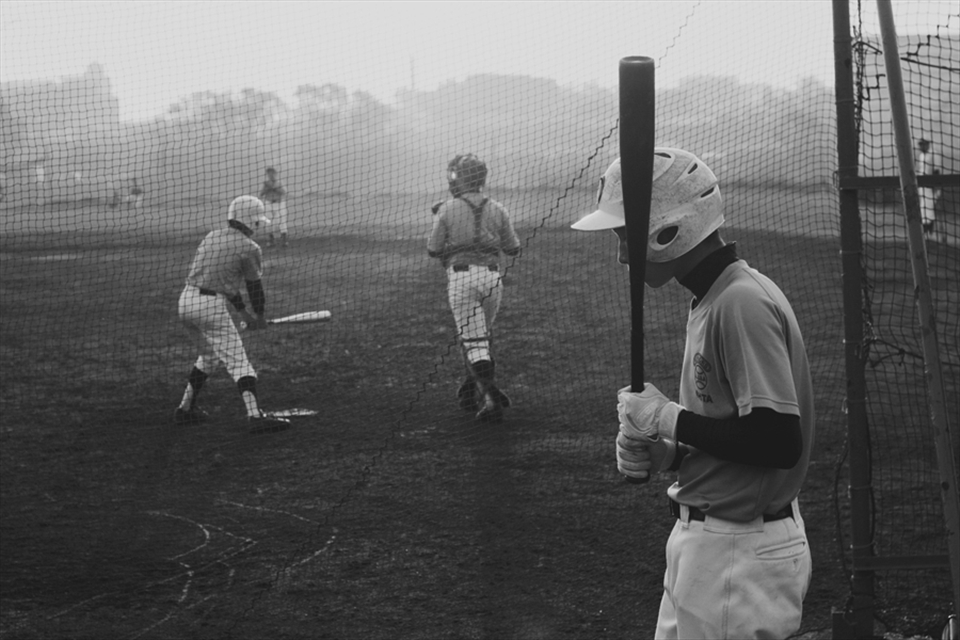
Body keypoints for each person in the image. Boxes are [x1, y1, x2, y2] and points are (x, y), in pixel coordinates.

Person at [572, 149, 814, 639]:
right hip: (712, 545)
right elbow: (732, 433)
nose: (621, 254)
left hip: (740, 552)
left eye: (625, 235)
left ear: (670, 228)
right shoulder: (714, 296)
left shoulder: (741, 301)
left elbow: (777, 441)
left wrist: (666, 417)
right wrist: (667, 453)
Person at [175, 195, 291, 434]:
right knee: (239, 363)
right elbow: (254, 287)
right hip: (210, 307)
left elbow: (224, 283)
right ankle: (255, 415)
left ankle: (185, 409)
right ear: (250, 221)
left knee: (208, 357)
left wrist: (244, 314)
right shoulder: (250, 248)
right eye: (258, 222)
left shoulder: (212, 236)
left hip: (185, 301)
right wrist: (258, 317)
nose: (258, 227)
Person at [427, 153, 521, 422]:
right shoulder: (498, 207)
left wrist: (442, 218)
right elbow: (514, 248)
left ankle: (491, 400)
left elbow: (433, 250)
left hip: (462, 279)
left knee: (474, 342)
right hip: (492, 280)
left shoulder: (447, 208)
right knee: (480, 338)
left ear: (459, 179)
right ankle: (471, 389)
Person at [916, 138, 941, 241]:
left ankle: (929, 234)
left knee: (929, 211)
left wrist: (935, 187)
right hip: (922, 187)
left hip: (931, 187)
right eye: (920, 144)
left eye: (923, 144)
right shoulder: (922, 155)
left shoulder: (933, 154)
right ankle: (925, 234)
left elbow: (936, 171)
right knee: (923, 210)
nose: (921, 146)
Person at [258, 167, 288, 247]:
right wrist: (267, 188)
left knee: (282, 222)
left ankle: (284, 241)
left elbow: (284, 192)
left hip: (279, 204)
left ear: (275, 174)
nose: (270, 175)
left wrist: (274, 188)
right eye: (269, 173)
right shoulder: (266, 184)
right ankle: (271, 241)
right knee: (268, 222)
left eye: (272, 173)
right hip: (268, 204)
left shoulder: (279, 183)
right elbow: (261, 194)